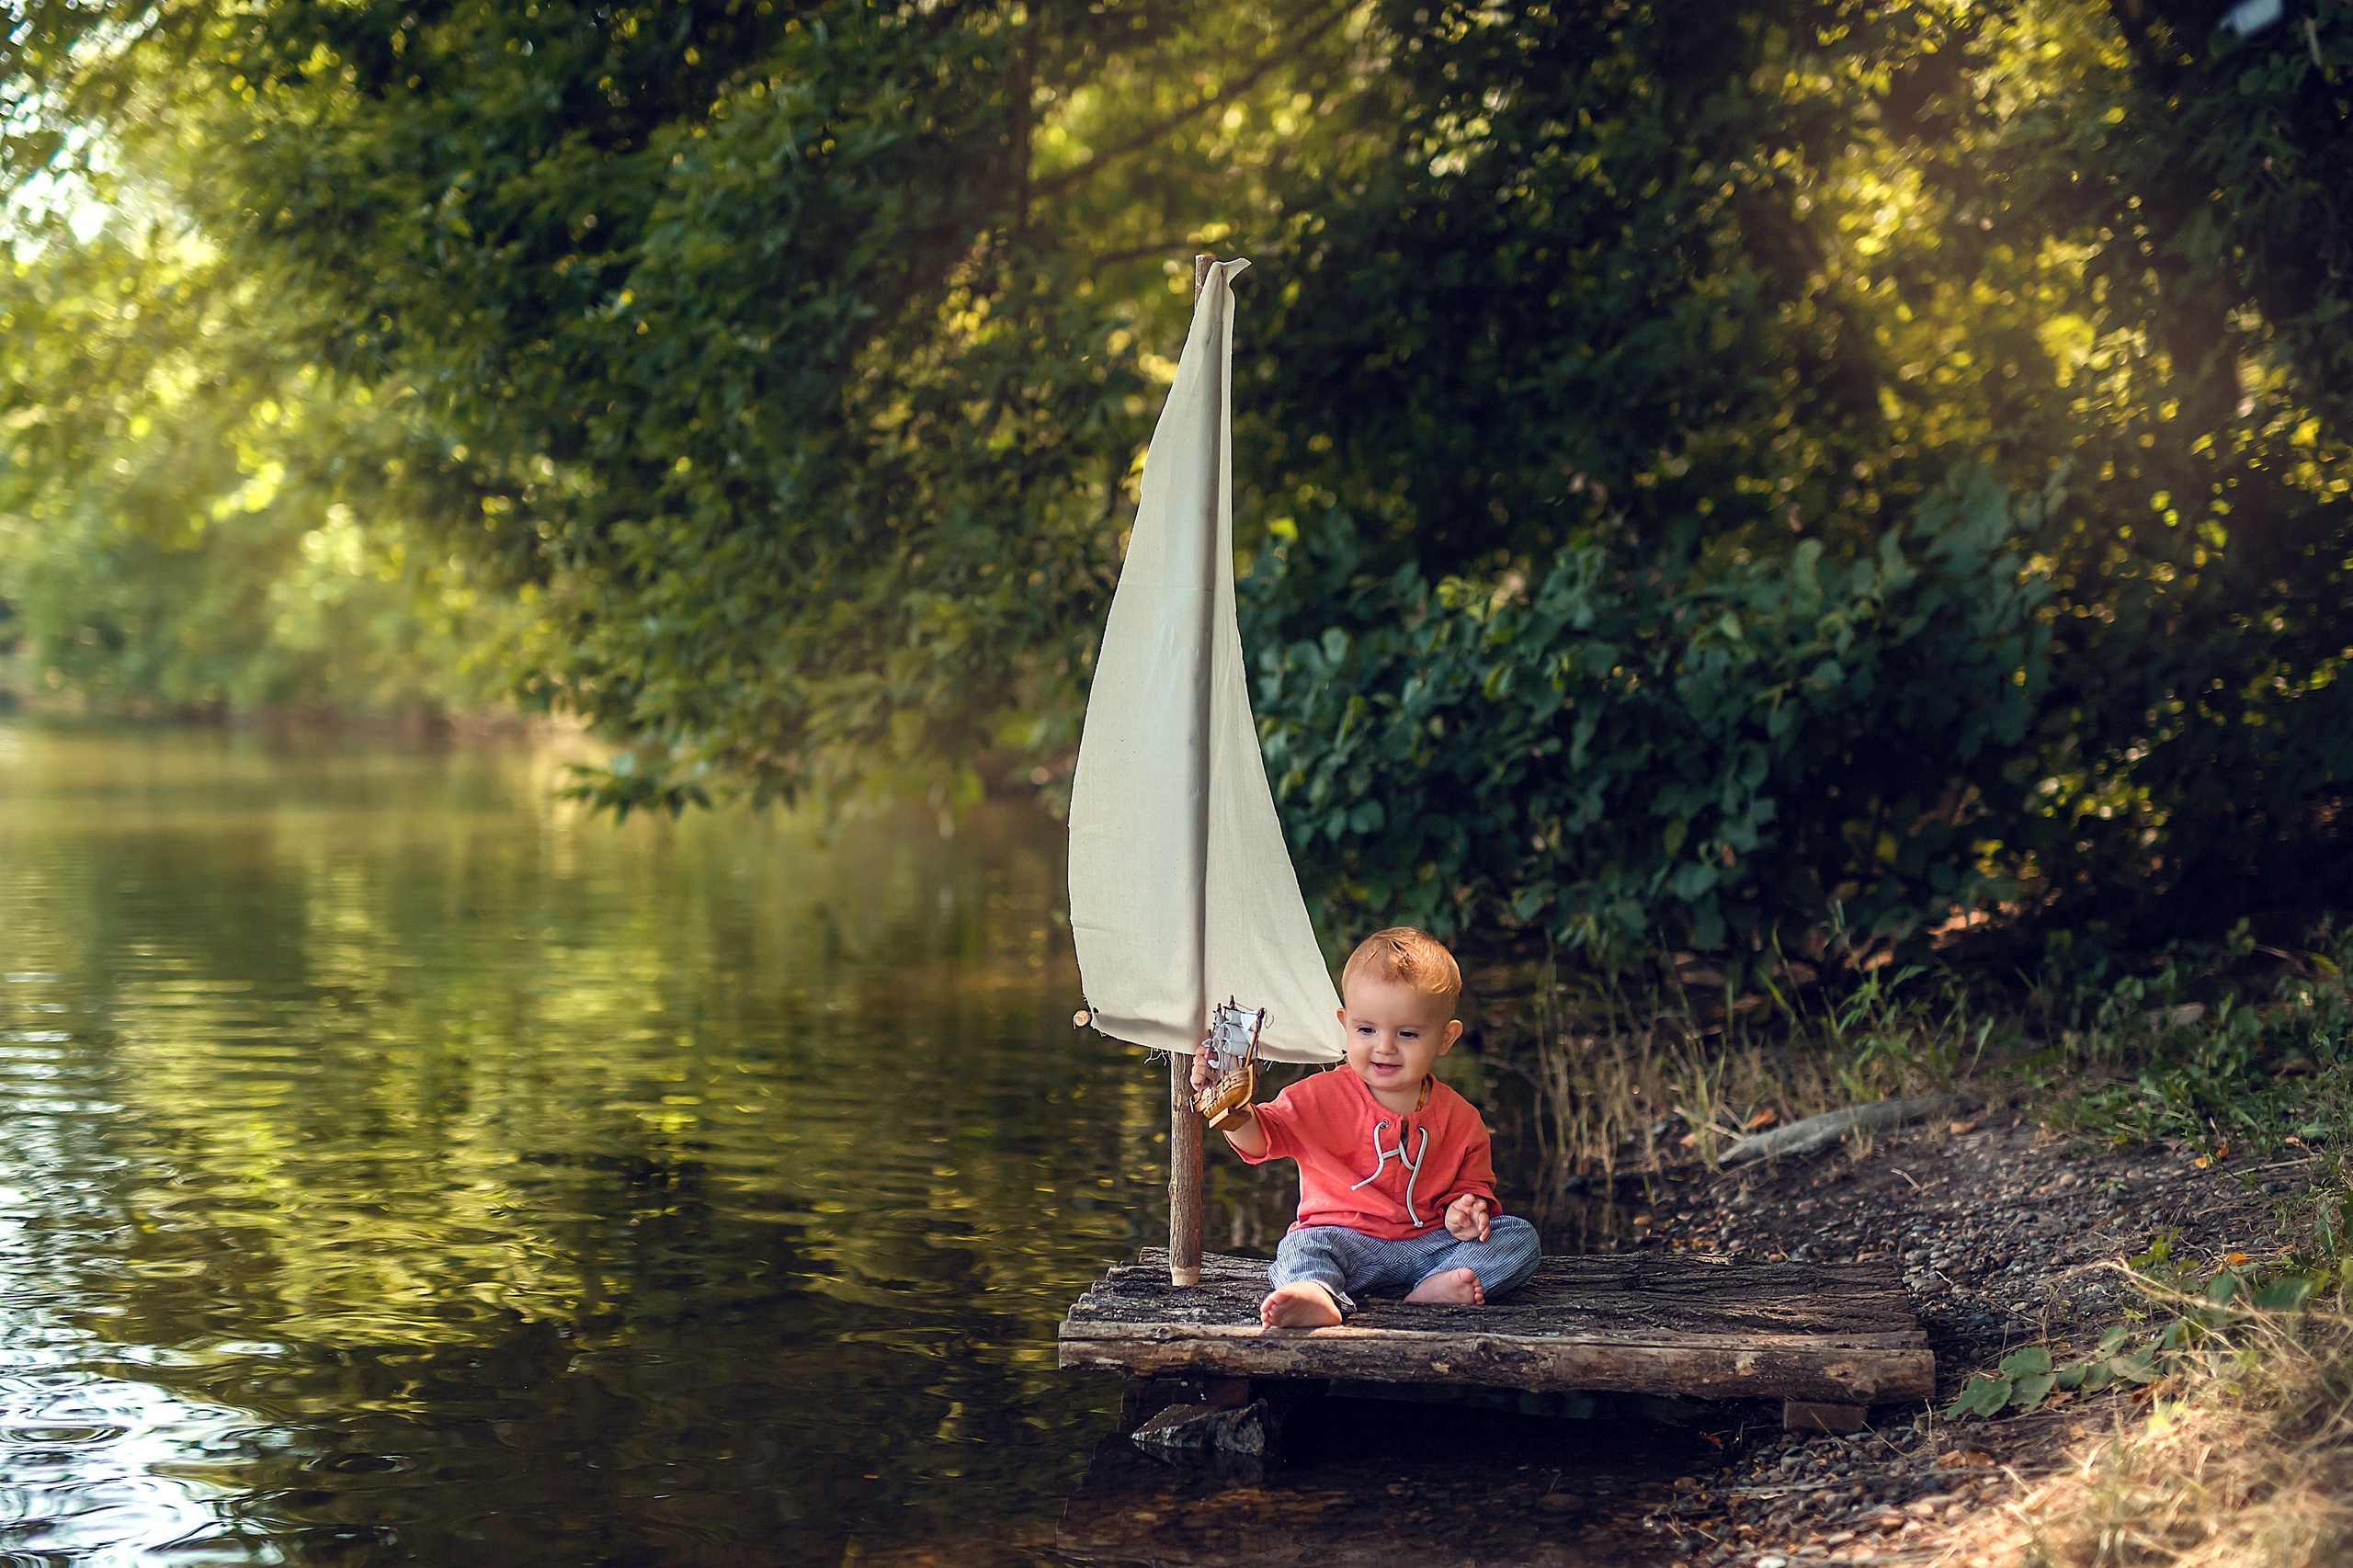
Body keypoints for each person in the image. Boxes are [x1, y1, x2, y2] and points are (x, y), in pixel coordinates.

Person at [1191, 926, 1541, 1327]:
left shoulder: (1462, 1119)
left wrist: (1466, 1211)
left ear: (1445, 1038)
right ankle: (1317, 1293)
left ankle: (1433, 1289)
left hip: (1429, 1243)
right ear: (1345, 1023)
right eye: (1367, 1030)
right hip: (1342, 1239)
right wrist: (1232, 1107)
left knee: (1518, 1238)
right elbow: (1261, 1139)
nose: (1385, 1047)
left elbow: (1474, 1190)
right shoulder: (1319, 1095)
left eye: (1407, 1034)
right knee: (1300, 1247)